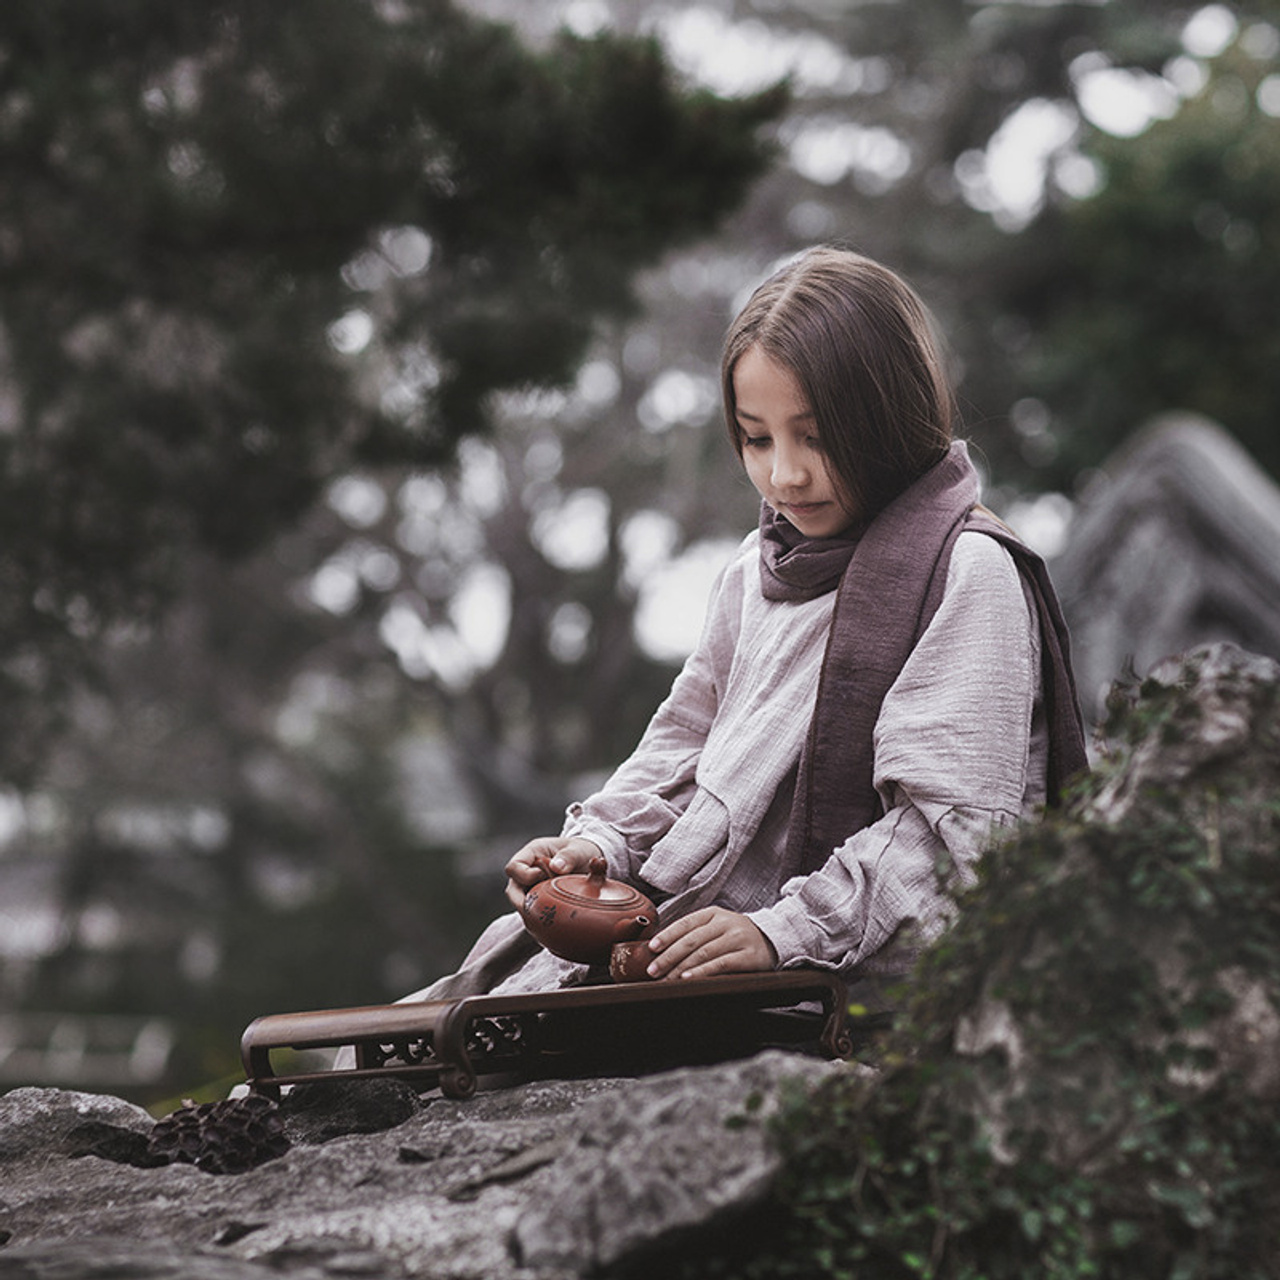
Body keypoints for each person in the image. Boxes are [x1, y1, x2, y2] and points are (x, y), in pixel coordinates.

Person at [402, 245, 1087, 1007]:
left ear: (890, 417)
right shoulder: (753, 571)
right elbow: (683, 748)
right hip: (687, 936)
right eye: (757, 439)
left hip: (847, 988)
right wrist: (595, 848)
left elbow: (950, 839)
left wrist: (780, 933)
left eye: (817, 436)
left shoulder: (968, 572)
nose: (785, 475)